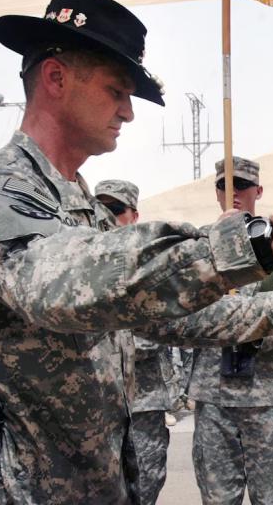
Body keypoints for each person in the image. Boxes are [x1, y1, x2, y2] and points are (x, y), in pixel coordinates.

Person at [0, 0, 273, 504]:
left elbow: (164, 318)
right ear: (56, 79)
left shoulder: (83, 209)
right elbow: (57, 287)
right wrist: (263, 240)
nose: (127, 111)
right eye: (115, 91)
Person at [189, 157, 273, 505]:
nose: (232, 193)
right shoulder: (197, 248)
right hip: (214, 397)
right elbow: (185, 319)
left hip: (268, 398)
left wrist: (258, 325)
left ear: (259, 191)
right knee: (218, 498)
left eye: (241, 186)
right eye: (224, 186)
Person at [95, 179, 174, 505]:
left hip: (143, 404)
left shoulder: (150, 266)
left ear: (134, 215)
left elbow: (155, 335)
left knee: (144, 490)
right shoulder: (88, 266)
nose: (109, 217)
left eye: (116, 209)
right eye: (101, 209)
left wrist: (102, 335)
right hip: (99, 407)